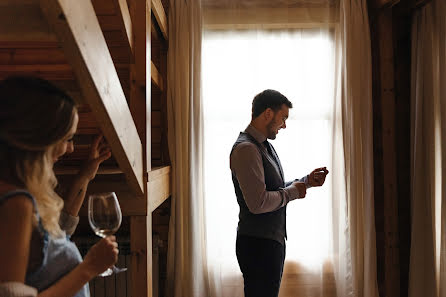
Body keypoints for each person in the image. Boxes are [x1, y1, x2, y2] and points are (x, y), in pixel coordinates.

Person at [0, 76, 118, 297]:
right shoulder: (16, 203)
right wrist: (89, 268)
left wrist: (85, 175)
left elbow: (57, 232)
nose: (71, 149)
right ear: (40, 138)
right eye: (67, 138)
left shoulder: (18, 194)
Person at [230, 89, 329, 297]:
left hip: (268, 243)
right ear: (268, 113)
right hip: (258, 246)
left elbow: (272, 190)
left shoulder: (264, 146)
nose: (284, 124)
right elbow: (258, 203)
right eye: (282, 118)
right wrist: (293, 192)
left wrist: (306, 182)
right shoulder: (246, 149)